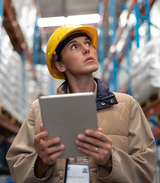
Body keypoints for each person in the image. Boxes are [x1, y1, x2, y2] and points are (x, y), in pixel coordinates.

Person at [6, 24, 157, 183]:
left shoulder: (127, 106)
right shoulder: (39, 110)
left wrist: (111, 160)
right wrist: (40, 163)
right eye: (74, 46)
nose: (87, 49)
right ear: (60, 65)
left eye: (88, 43)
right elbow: (17, 167)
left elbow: (146, 170)